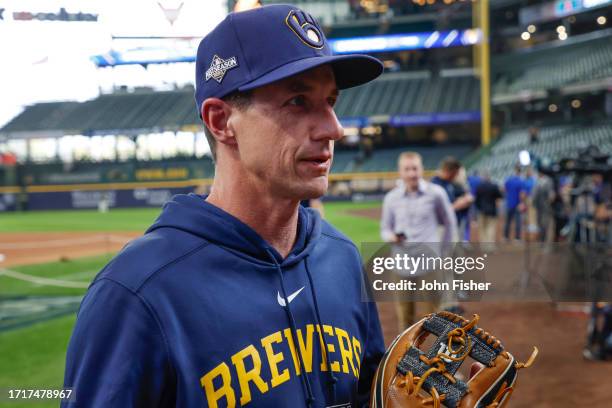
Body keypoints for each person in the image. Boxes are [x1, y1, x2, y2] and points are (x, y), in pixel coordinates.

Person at [62, 5, 385, 407]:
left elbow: (369, 393)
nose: (334, 128)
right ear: (220, 121)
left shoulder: (343, 258)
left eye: (331, 101)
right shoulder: (137, 293)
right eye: (299, 101)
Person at [380, 152, 457, 331]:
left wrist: (444, 251)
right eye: (407, 169)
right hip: (401, 265)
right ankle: (407, 358)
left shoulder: (436, 193)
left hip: (430, 264)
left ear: (421, 169)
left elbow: (449, 222)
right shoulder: (391, 198)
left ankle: (436, 357)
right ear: (400, 172)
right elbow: (385, 229)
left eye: (415, 168)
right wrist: (392, 237)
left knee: (436, 318)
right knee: (405, 318)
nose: (412, 173)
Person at [431, 157, 473, 241]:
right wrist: (456, 206)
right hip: (441, 229)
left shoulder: (449, 183)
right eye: (456, 173)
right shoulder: (435, 186)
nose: (456, 176)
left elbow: (464, 195)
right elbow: (435, 213)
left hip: (452, 226)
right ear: (449, 171)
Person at [474, 171, 502, 245]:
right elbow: (500, 196)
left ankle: (483, 245)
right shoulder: (494, 186)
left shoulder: (479, 187)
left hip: (481, 210)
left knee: (482, 229)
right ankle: (489, 245)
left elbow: (476, 200)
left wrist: (479, 208)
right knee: (490, 228)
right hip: (492, 210)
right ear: (489, 178)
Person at [503, 165, 526, 241]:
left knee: (507, 221)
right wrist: (522, 203)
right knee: (518, 222)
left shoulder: (508, 180)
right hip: (517, 204)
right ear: (520, 172)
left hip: (509, 203)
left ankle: (505, 237)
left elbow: (504, 190)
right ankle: (517, 238)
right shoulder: (521, 181)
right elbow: (522, 194)